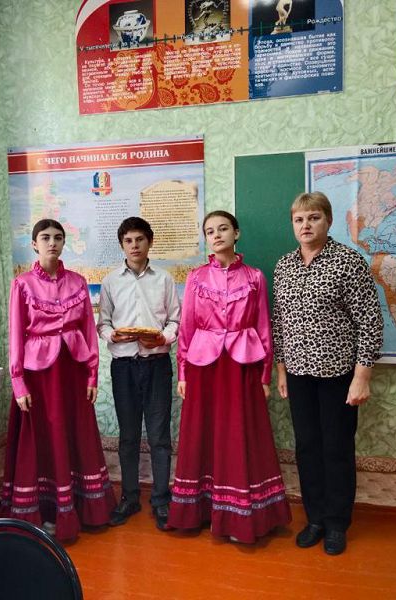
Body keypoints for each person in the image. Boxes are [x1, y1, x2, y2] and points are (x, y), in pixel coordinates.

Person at [168, 210, 292, 543]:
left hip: (242, 365)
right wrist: (183, 371)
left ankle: (240, 517)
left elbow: (264, 326)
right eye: (210, 231)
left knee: (241, 434)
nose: (217, 235)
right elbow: (187, 327)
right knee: (203, 432)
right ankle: (200, 511)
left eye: (223, 228)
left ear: (236, 233)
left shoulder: (255, 277)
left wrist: (265, 375)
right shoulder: (196, 278)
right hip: (203, 366)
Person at [272, 191, 383, 556]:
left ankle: (336, 523)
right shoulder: (284, 266)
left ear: (328, 221)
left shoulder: (348, 261)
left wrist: (362, 376)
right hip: (298, 373)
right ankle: (315, 518)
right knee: (307, 448)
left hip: (338, 374)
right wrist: (282, 370)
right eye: (299, 219)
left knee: (336, 449)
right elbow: (279, 323)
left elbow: (370, 321)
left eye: (313, 217)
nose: (306, 225)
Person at [1, 219, 117, 541]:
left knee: (75, 432)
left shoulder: (78, 282)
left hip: (73, 370)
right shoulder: (22, 284)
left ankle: (82, 508)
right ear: (34, 244)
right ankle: (46, 512)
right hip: (39, 375)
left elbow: (88, 330)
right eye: (45, 237)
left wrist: (92, 374)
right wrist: (18, 382)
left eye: (58, 237)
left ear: (64, 243)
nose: (52, 242)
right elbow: (16, 336)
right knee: (44, 436)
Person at [97, 217, 181, 531]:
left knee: (159, 437)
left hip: (157, 364)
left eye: (140, 240)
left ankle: (160, 500)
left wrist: (163, 338)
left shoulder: (165, 279)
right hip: (124, 367)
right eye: (129, 241)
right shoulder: (110, 281)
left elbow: (175, 321)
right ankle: (130, 497)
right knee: (129, 436)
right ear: (122, 245)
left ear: (149, 242)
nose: (134, 246)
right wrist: (112, 335)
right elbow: (103, 323)